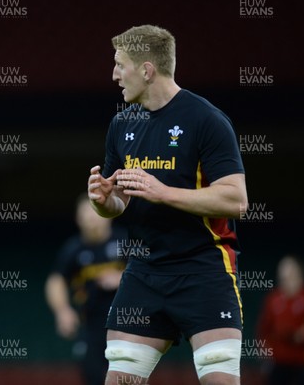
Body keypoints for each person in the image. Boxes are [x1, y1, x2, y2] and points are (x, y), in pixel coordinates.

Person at [87, 24, 248, 385]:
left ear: (146, 70)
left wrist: (164, 192)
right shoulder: (121, 124)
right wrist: (104, 200)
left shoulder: (207, 120)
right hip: (145, 273)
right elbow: (119, 203)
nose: (114, 75)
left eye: (120, 65)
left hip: (205, 270)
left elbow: (237, 199)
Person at [45, 193, 127, 385]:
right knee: (92, 374)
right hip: (90, 325)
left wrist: (122, 278)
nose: (91, 218)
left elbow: (149, 272)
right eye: (85, 214)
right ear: (77, 219)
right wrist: (62, 311)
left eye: (95, 212)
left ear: (108, 214)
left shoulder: (126, 241)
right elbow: (56, 281)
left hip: (126, 324)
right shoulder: (73, 249)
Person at [256, 254, 304, 385]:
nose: (285, 275)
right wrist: (264, 349)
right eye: (282, 270)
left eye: (289, 270)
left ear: (298, 272)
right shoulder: (273, 298)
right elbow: (263, 329)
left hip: (302, 363)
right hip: (277, 364)